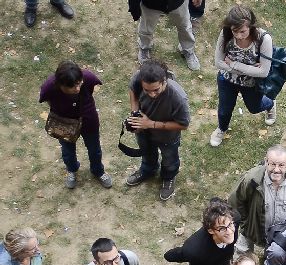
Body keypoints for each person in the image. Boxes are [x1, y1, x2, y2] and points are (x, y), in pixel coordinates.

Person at [39, 61, 112, 190]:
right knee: (67, 149)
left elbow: (89, 89)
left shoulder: (88, 77)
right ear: (60, 85)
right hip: (63, 122)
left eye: (79, 83)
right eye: (72, 87)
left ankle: (98, 171)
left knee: (94, 149)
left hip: (88, 119)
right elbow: (46, 99)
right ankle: (72, 170)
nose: (77, 89)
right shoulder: (49, 87)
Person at [210, 4, 275, 148]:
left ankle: (270, 104)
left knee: (254, 108)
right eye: (235, 31)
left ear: (251, 26)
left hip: (251, 84)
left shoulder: (264, 39)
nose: (239, 35)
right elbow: (218, 62)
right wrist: (250, 69)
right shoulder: (225, 33)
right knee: (224, 109)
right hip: (226, 79)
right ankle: (221, 129)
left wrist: (234, 65)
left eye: (243, 31)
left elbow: (264, 72)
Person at [125, 61, 191, 202]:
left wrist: (151, 124)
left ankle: (168, 177)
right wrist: (135, 113)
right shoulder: (139, 77)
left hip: (167, 137)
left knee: (169, 160)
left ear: (164, 81)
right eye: (147, 90)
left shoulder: (178, 97)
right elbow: (132, 90)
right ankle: (147, 170)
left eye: (156, 90)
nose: (152, 94)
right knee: (147, 153)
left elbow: (183, 124)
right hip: (143, 131)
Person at [228, 145, 286, 251]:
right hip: (252, 229)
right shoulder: (251, 180)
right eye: (273, 164)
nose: (276, 169)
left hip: (280, 232)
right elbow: (235, 202)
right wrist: (245, 224)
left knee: (274, 254)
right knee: (243, 251)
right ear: (266, 162)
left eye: (281, 165)